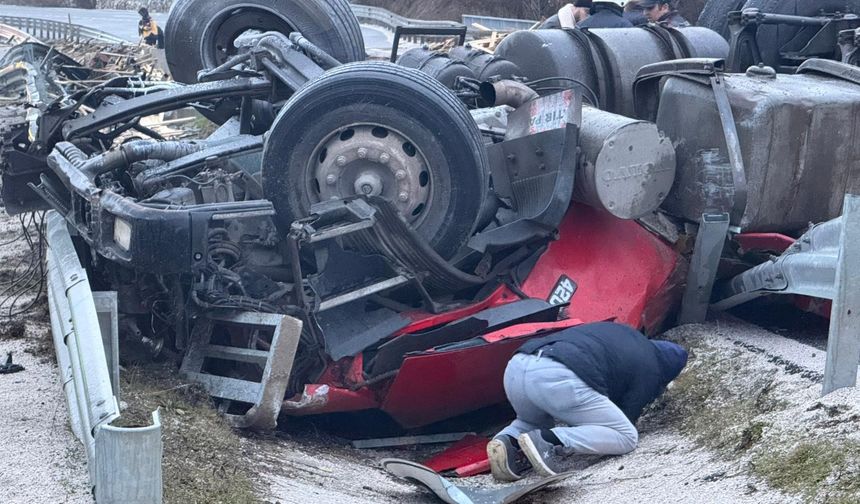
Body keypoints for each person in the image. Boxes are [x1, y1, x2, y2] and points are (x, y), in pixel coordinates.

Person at [486, 322, 688, 481]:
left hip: (518, 366)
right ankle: (549, 440)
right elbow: (625, 417)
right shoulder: (652, 369)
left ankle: (506, 442)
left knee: (529, 422)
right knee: (626, 436)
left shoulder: (627, 334)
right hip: (557, 374)